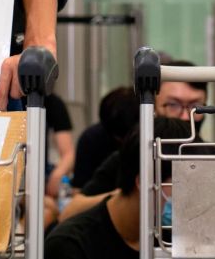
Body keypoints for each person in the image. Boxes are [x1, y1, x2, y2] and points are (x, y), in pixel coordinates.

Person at [43, 118, 188, 259]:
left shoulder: (176, 239)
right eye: (182, 186)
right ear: (146, 182)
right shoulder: (70, 248)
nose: (190, 200)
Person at [60, 63, 206, 221]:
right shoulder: (134, 156)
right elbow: (70, 212)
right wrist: (127, 198)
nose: (185, 116)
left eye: (195, 107)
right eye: (173, 105)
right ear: (152, 107)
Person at [72, 87, 138, 190]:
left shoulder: (154, 137)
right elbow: (78, 190)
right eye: (119, 139)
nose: (124, 143)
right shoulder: (91, 139)